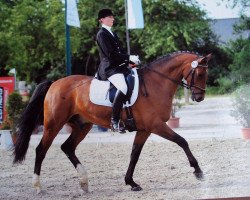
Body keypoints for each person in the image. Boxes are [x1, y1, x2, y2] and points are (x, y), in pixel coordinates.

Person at [96, 8, 140, 132]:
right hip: (109, 69)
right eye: (109, 17)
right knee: (123, 87)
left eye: (112, 17)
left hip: (119, 67)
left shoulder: (112, 33)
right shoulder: (101, 34)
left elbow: (120, 52)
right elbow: (110, 54)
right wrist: (128, 57)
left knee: (136, 76)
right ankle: (114, 120)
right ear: (102, 20)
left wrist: (132, 62)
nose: (113, 19)